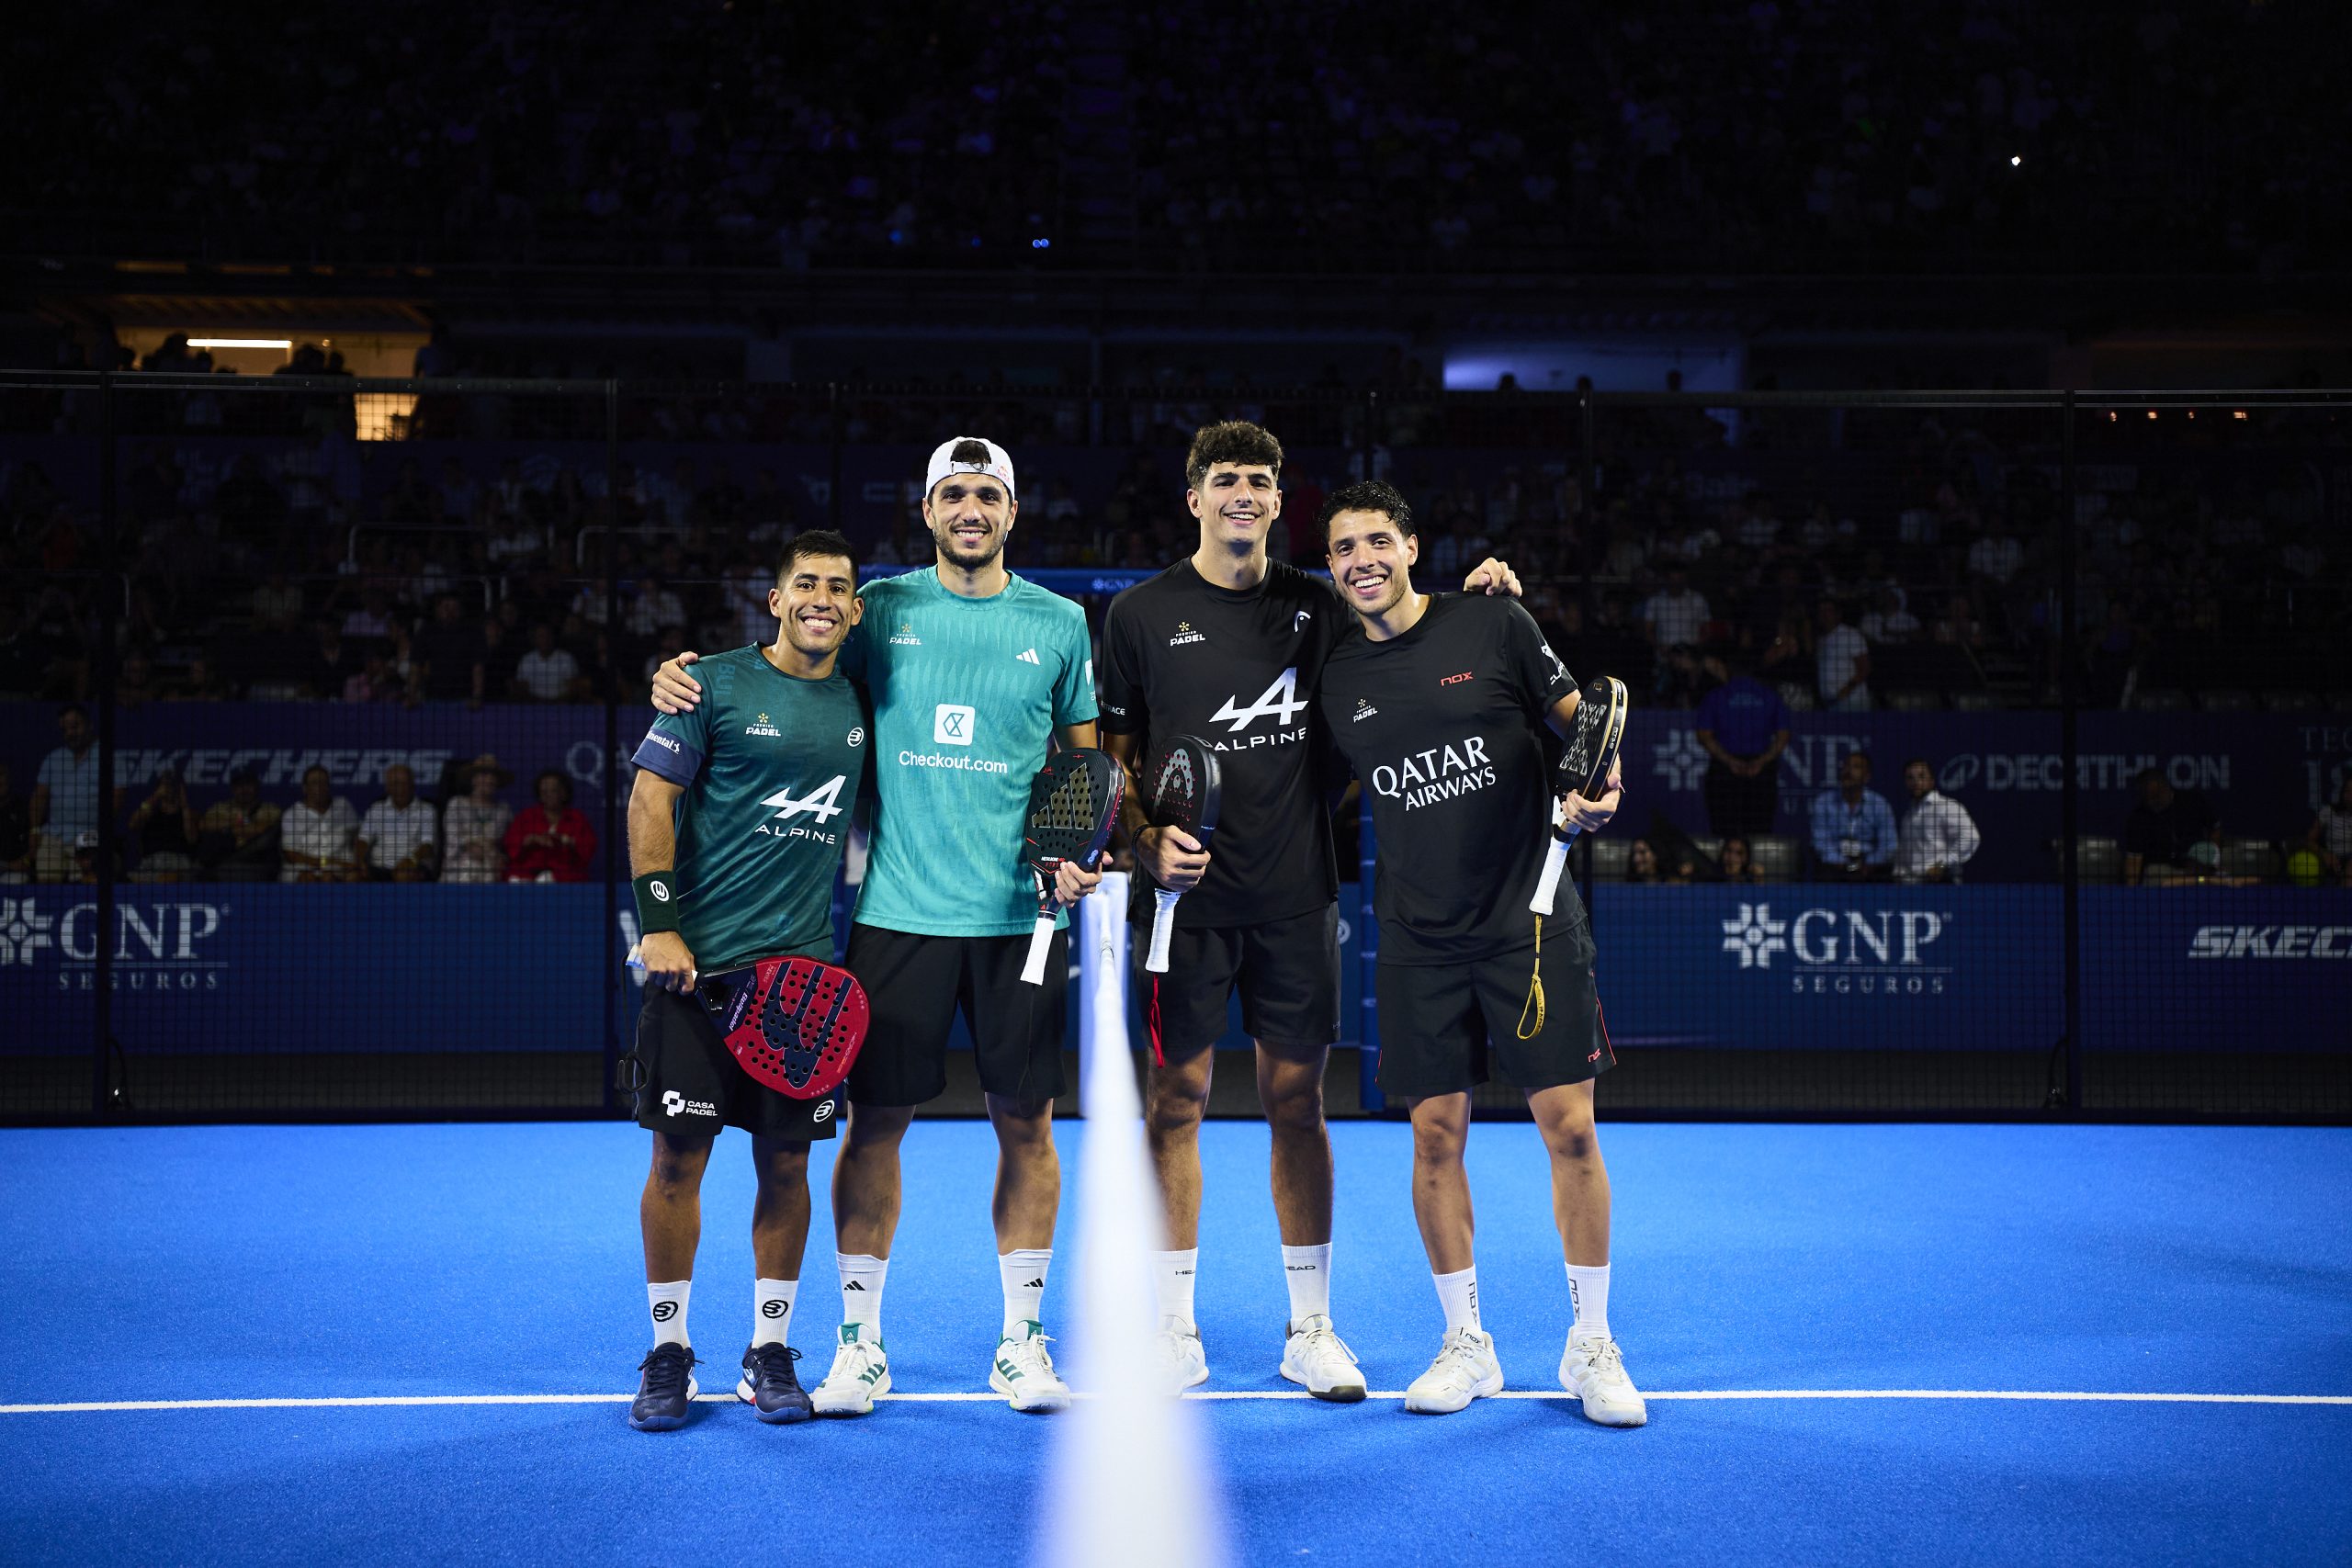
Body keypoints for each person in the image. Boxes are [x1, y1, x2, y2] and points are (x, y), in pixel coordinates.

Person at [651, 438, 1103, 1416]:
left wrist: (1078, 842)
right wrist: (683, 677)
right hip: (898, 916)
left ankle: (1020, 1342)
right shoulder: (880, 608)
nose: (970, 508)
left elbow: (1080, 763)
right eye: (953, 494)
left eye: (988, 494)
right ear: (928, 509)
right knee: (875, 1124)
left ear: (1011, 511)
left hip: (1019, 920)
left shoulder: (1061, 622)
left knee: (1025, 1123)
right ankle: (860, 1342)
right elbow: (789, 663)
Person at [1094, 422, 1523, 1399]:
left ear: (1277, 499)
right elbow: (1113, 761)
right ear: (1193, 498)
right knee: (1177, 1106)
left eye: (1259, 480)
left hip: (1295, 904)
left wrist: (1481, 596)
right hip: (1181, 912)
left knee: (1298, 1106)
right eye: (1224, 480)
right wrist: (1140, 841)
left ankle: (1310, 1327)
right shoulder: (1139, 615)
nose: (1242, 493)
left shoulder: (1320, 607)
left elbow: (1409, 629)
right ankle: (1171, 1327)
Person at [1314, 479, 1644, 1427]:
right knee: (1433, 1136)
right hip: (1418, 938)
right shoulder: (1338, 676)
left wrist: (1602, 783)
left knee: (1569, 1130)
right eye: (1342, 549)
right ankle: (1467, 1342)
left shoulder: (1493, 624)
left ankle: (1591, 1344)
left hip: (1528, 924)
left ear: (1412, 547)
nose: (1362, 561)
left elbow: (1588, 726)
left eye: (1378, 540)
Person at [621, 530, 874, 1433]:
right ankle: (669, 1351)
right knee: (678, 1159)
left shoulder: (863, 699)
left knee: (787, 1162)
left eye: (838, 588)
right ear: (774, 600)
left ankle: (768, 1351)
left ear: (854, 607)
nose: (821, 597)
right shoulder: (709, 685)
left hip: (799, 981)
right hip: (697, 975)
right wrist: (660, 924)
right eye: (805, 583)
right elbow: (651, 797)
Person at [1692, 651, 1791, 839]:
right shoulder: (1770, 696)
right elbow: (1783, 736)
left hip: (1725, 772)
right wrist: (1761, 762)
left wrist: (1729, 762)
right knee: (1759, 830)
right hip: (1760, 773)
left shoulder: (1717, 696)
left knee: (1723, 830)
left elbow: (1704, 735)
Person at [30, 705, 122, 883]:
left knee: (84, 885)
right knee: (47, 884)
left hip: (88, 836)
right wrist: (34, 830)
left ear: (90, 725)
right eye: (65, 729)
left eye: (75, 726)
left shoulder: (108, 757)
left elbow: (117, 800)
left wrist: (100, 835)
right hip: (53, 835)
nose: (70, 733)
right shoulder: (54, 758)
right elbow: (39, 797)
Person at [2122, 768, 2221, 886]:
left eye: (2157, 793)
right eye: (2148, 795)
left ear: (2166, 786)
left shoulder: (2192, 801)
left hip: (2197, 867)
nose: (2153, 798)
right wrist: (2133, 893)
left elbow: (2215, 830)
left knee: (2209, 878)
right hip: (2162, 872)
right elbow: (2134, 859)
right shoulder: (2138, 818)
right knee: (2154, 873)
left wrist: (2212, 860)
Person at [1808, 751, 1896, 880]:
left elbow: (1889, 844)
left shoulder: (1880, 804)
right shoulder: (1823, 802)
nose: (1848, 771)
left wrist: (1870, 863)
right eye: (1846, 766)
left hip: (1870, 865)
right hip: (1834, 865)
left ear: (1867, 777)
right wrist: (1843, 864)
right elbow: (1821, 842)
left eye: (1856, 767)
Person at [1893, 758, 1981, 884]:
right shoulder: (1909, 814)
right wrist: (1898, 873)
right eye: (1910, 777)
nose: (1916, 781)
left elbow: (1971, 837)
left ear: (1932, 780)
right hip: (1911, 888)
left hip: (1941, 884)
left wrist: (1942, 866)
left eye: (1921, 776)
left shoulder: (1947, 806)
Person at [503, 770, 597, 882]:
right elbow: (510, 843)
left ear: (564, 793)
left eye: (553, 790)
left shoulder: (577, 818)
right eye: (544, 791)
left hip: (564, 873)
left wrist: (566, 840)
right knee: (515, 881)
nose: (548, 794)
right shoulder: (526, 816)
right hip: (527, 871)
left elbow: (588, 847)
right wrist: (531, 839)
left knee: (545, 881)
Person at [357, 763, 440, 882]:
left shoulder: (427, 810)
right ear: (387, 787)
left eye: (404, 784)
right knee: (353, 875)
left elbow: (428, 846)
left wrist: (410, 861)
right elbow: (363, 840)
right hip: (378, 867)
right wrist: (359, 862)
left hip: (413, 866)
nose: (400, 789)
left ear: (413, 785)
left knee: (403, 875)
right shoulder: (377, 809)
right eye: (395, 784)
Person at [279, 765, 363, 883]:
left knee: (352, 877)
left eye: (323, 783)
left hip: (341, 864)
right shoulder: (292, 814)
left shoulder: (344, 806)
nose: (319, 787)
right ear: (305, 788)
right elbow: (291, 855)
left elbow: (359, 837)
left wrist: (359, 862)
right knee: (309, 879)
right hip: (304, 865)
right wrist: (326, 862)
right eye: (314, 783)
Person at [198, 768, 282, 882]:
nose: (244, 790)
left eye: (248, 785)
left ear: (256, 786)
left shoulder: (270, 809)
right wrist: (236, 824)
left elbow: (264, 829)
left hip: (256, 861)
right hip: (223, 858)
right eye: (239, 786)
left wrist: (228, 829)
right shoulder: (220, 808)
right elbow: (203, 825)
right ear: (233, 788)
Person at [440, 754, 514, 883]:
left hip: (491, 866)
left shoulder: (504, 810)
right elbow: (452, 836)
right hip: (460, 865)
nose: (489, 780)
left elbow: (509, 843)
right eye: (484, 775)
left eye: (493, 776)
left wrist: (502, 857)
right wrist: (470, 846)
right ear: (474, 779)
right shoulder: (457, 804)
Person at [128, 768, 201, 882]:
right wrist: (155, 796)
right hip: (151, 862)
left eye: (173, 784)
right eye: (166, 784)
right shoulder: (150, 812)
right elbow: (133, 824)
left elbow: (192, 838)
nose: (169, 788)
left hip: (179, 863)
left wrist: (184, 806)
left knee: (171, 878)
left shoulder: (189, 813)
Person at [1815, 596, 1871, 711]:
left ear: (1838, 614)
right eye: (1821, 611)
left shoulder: (1851, 635)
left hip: (1852, 703)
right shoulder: (1820, 640)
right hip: (1830, 705)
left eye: (1828, 610)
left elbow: (1865, 668)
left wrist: (1845, 691)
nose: (1824, 614)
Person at [2302, 773, 2352, 886]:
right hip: (2334, 860)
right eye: (2347, 791)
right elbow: (2308, 841)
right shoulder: (2329, 812)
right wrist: (2325, 854)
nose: (2350, 795)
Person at [0, 761, 31, 882]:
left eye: (1, 775)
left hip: (14, 873)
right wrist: (7, 865)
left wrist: (25, 861)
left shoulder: (22, 808)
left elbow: (33, 844)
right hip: (6, 867)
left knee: (15, 881)